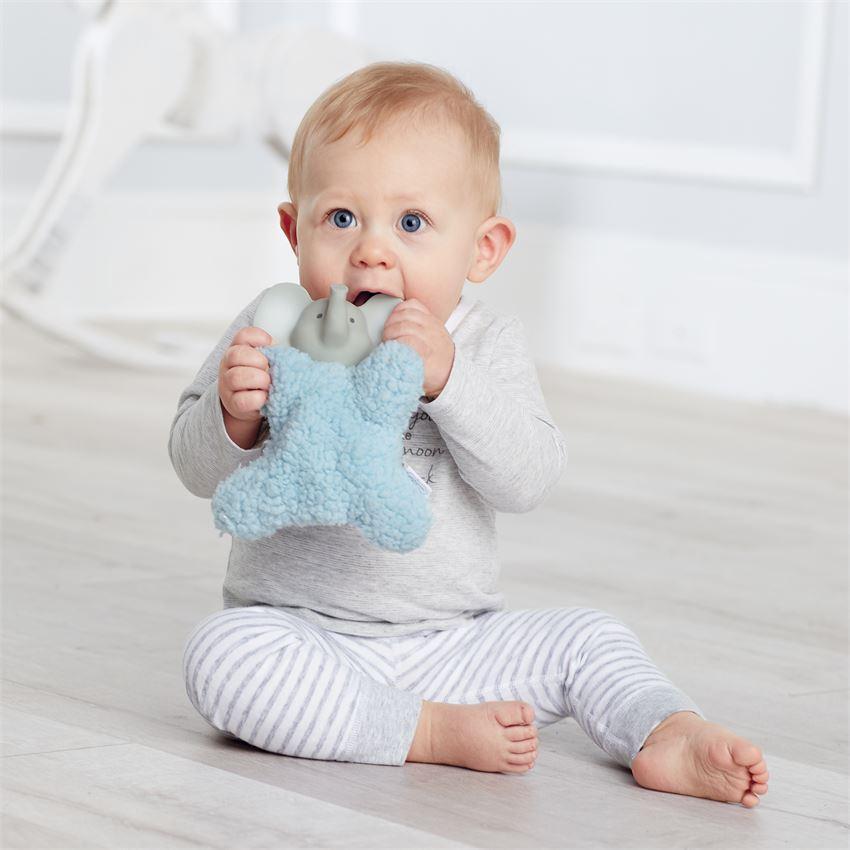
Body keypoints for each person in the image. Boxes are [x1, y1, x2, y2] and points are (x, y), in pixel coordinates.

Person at [169, 61, 769, 807]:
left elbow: (528, 479)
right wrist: (234, 415)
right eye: (342, 218)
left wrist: (449, 381)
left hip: (456, 644)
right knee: (220, 657)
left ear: (482, 249)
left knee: (590, 636)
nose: (372, 251)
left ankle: (664, 730)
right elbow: (193, 468)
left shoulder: (484, 345)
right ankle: (420, 731)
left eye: (411, 224)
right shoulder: (275, 327)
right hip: (299, 635)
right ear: (295, 230)